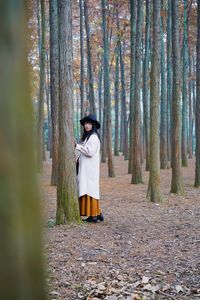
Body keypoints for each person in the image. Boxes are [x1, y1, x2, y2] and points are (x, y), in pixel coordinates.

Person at [75, 114, 104, 223]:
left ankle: (94, 215)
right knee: (89, 190)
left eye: (89, 123)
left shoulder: (93, 137)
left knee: (90, 190)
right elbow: (85, 150)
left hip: (90, 170)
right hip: (87, 169)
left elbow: (90, 152)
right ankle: (97, 213)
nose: (87, 126)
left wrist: (77, 146)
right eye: (86, 124)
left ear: (93, 125)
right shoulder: (88, 137)